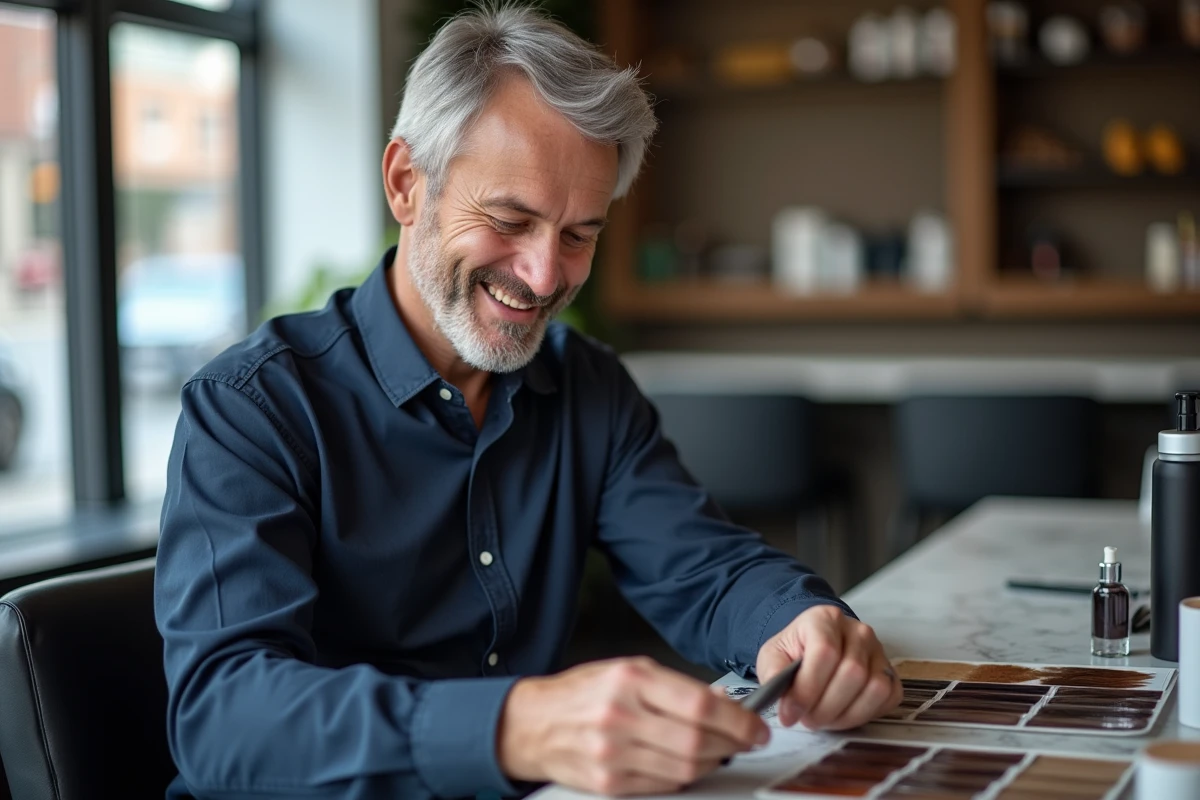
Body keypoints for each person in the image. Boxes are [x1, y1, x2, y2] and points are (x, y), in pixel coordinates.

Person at [154, 5, 902, 799]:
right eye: (510, 220)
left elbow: (706, 570)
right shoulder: (252, 408)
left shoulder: (588, 387)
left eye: (579, 235)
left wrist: (797, 625)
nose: (546, 277)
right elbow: (223, 720)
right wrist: (517, 726)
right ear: (407, 184)